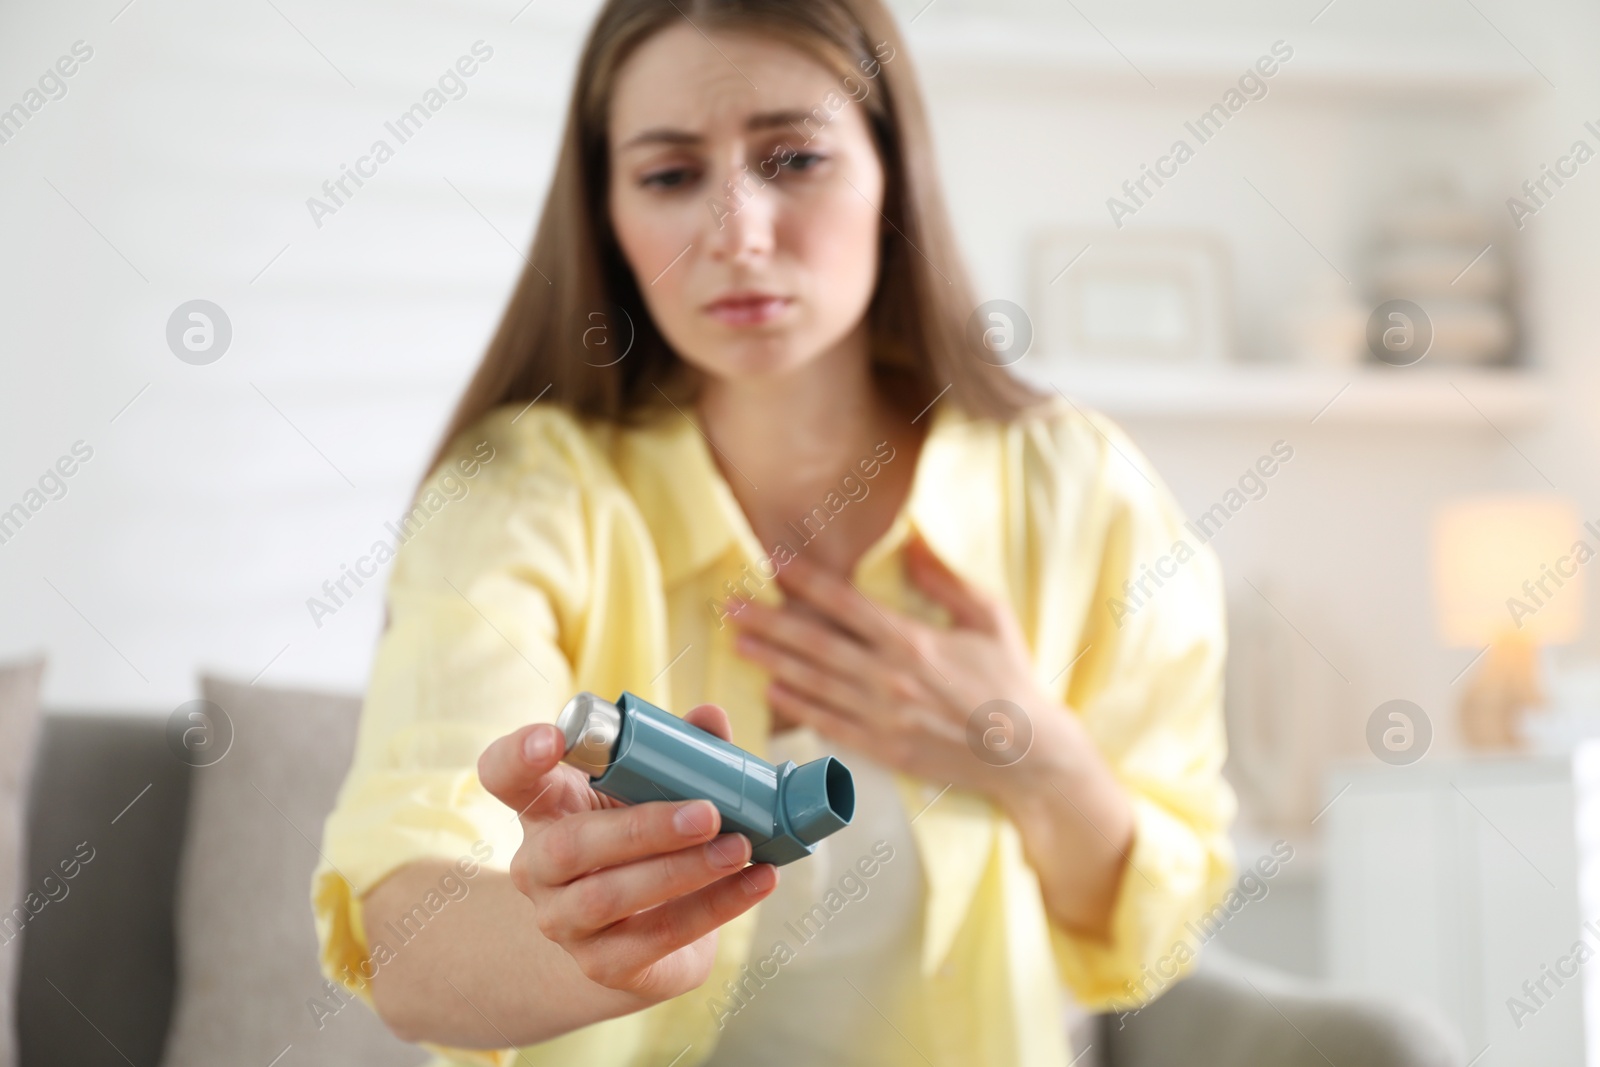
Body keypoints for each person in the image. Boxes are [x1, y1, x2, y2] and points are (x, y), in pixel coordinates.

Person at [310, 1, 1237, 1064]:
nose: (737, 234)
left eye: (792, 159)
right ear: (605, 210)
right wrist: (592, 944)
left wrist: (1036, 760)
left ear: (893, 170)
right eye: (669, 177)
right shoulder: (521, 493)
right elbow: (406, 935)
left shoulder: (1081, 493)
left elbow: (1153, 939)